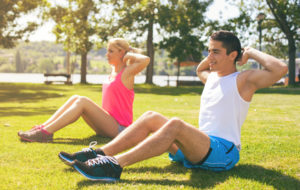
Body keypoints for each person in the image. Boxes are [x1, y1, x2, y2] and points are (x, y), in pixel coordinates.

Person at [59, 30, 288, 181]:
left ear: (233, 55)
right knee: (150, 116)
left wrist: (250, 53)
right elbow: (200, 70)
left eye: (216, 52)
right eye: (209, 51)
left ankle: (114, 166)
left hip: (222, 151)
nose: (210, 57)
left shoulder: (244, 80)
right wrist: (210, 58)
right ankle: (99, 154)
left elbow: (280, 69)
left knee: (176, 124)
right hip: (197, 147)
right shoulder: (212, 77)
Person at [17, 38, 150, 143]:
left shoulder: (126, 73)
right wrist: (125, 54)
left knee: (83, 101)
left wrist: (128, 55)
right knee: (76, 97)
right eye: (107, 51)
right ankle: (42, 129)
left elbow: (146, 60)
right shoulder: (113, 72)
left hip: (121, 129)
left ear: (121, 52)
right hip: (107, 125)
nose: (107, 54)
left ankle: (45, 134)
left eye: (111, 51)